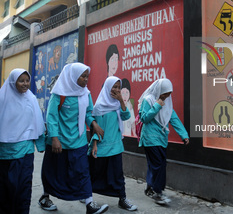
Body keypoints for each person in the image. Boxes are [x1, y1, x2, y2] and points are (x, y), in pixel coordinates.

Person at [38, 62, 108, 214]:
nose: (85, 80)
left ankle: (90, 204)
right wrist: (54, 138)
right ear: (73, 76)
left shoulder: (85, 93)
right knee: (52, 171)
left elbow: (88, 113)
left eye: (87, 76)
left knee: (83, 170)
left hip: (79, 140)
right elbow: (51, 117)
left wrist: (94, 124)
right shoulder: (59, 93)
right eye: (82, 76)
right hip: (59, 141)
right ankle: (45, 197)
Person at [88, 76, 138, 211]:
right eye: (114, 87)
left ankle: (122, 198)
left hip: (116, 145)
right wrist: (94, 145)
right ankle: (87, 197)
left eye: (118, 87)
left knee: (118, 175)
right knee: (95, 173)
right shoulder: (99, 106)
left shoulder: (117, 104)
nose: (116, 90)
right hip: (102, 146)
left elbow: (126, 116)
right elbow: (96, 128)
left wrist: (121, 100)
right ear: (107, 88)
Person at [0, 69, 46, 214]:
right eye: (21, 81)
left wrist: (40, 144)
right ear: (13, 82)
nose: (25, 84)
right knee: (7, 188)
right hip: (6, 154)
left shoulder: (31, 98)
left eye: (27, 80)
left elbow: (37, 123)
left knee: (24, 187)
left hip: (26, 151)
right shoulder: (2, 99)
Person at [138, 78, 189, 205]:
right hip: (150, 138)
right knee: (159, 165)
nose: (166, 96)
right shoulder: (148, 100)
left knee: (154, 164)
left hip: (161, 139)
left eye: (169, 93)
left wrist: (184, 135)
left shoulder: (167, 103)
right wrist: (156, 105)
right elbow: (144, 118)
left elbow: (174, 118)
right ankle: (158, 192)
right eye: (165, 93)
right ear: (159, 90)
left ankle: (150, 186)